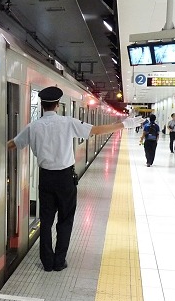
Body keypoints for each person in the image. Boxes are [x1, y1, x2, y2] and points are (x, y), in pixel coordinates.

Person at [7, 86, 143, 272]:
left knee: (45, 221)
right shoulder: (67, 123)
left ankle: (46, 262)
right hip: (65, 178)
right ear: (57, 105)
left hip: (45, 178)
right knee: (65, 219)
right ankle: (59, 261)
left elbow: (13, 144)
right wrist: (124, 124)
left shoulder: (33, 127)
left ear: (42, 104)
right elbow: (95, 130)